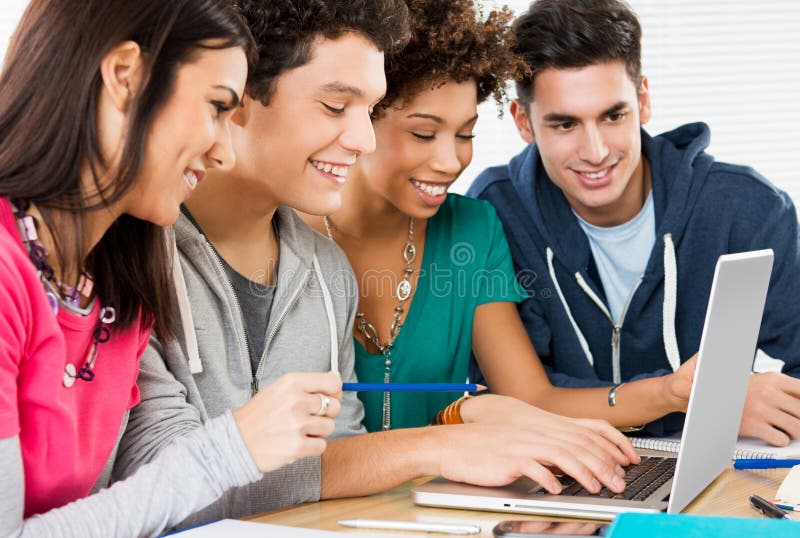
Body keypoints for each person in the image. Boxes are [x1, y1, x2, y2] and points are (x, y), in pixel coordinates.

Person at [112, 0, 638, 530]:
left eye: (369, 110)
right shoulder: (131, 249)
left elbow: (339, 462)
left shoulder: (326, 271)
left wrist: (453, 430)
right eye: (337, 107)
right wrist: (434, 445)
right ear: (239, 94)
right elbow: (162, 483)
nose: (363, 140)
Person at [0, 1, 343, 536]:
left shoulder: (121, 285)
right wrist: (230, 448)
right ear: (124, 75)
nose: (226, 151)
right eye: (215, 106)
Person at [305, 0, 699, 437]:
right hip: (320, 502)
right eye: (423, 133)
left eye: (465, 133)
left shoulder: (473, 228)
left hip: (432, 499)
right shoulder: (286, 232)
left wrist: (672, 392)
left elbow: (532, 400)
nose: (450, 161)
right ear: (363, 115)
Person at [468, 0, 800, 445]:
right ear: (523, 122)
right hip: (561, 476)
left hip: (713, 468)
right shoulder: (495, 215)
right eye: (565, 124)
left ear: (643, 100)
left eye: (613, 116)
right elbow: (517, 403)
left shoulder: (746, 207)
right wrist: (702, 402)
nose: (596, 151)